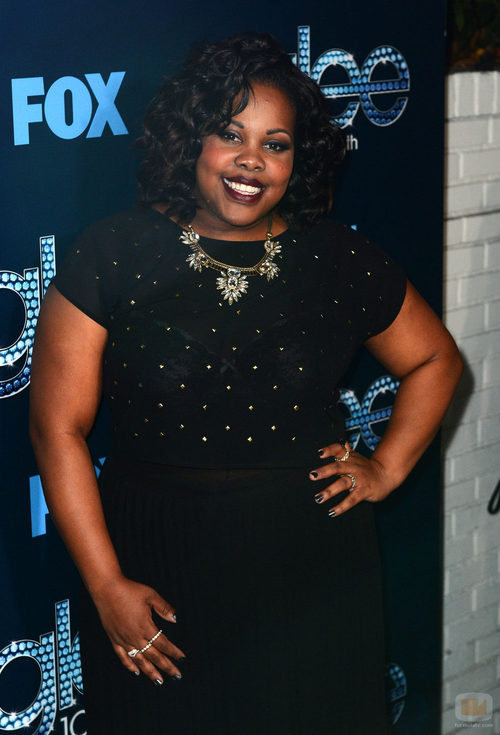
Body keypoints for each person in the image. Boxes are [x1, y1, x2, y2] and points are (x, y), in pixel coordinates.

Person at [30, 32, 462, 735]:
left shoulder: (338, 257)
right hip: (157, 565)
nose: (252, 160)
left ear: (298, 159)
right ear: (191, 140)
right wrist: (106, 585)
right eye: (230, 134)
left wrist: (385, 467)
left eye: (276, 144)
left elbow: (436, 360)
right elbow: (58, 429)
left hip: (313, 570)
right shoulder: (112, 253)